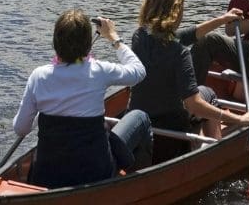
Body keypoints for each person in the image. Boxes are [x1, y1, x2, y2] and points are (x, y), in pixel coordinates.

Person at [12, 10, 152, 189]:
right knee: (140, 117)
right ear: (88, 45)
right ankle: (136, 187)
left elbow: (21, 129)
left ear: (55, 43)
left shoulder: (38, 77)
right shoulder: (99, 70)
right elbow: (139, 71)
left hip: (46, 176)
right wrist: (113, 37)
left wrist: (37, 113)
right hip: (95, 172)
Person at [127, 0, 249, 161]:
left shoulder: (139, 37)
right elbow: (193, 105)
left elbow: (185, 35)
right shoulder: (179, 52)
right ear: (176, 13)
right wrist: (238, 119)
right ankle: (214, 152)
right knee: (208, 93)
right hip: (171, 125)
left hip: (139, 118)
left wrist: (222, 20)